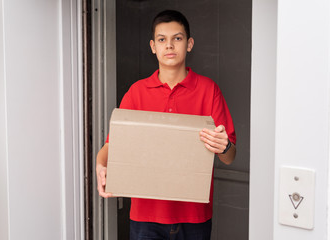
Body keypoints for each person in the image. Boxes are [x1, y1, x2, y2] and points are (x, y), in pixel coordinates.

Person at [96, 9, 236, 240]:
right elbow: (113, 147)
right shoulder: (136, 93)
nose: (169, 46)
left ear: (189, 44)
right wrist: (100, 165)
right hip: (145, 217)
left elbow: (229, 156)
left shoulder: (209, 90)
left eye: (177, 38)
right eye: (162, 40)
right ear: (153, 46)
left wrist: (224, 146)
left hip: (194, 217)